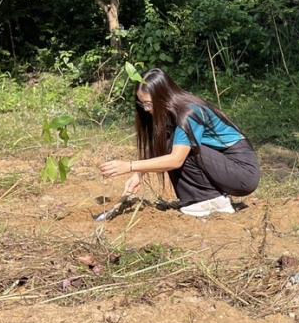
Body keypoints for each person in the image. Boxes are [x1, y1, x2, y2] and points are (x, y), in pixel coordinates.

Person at [98, 68, 260, 217]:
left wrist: (130, 166)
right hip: (223, 164)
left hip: (242, 171)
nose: (146, 110)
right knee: (171, 142)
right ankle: (200, 201)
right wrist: (138, 174)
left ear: (163, 97)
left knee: (179, 149)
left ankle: (211, 203)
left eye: (148, 104)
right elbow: (161, 142)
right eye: (142, 104)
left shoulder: (189, 113)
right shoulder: (171, 113)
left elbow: (176, 160)